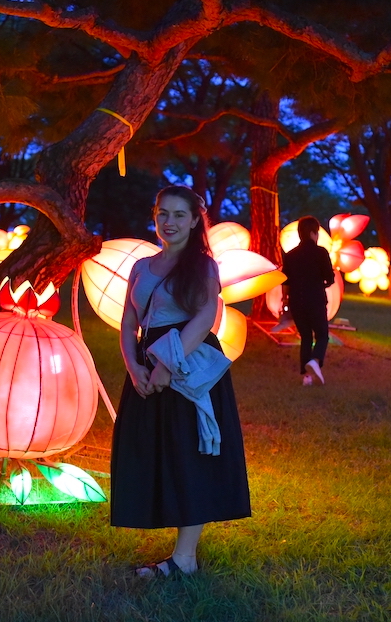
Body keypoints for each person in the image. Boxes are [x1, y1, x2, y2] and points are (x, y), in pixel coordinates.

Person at [110, 185, 251, 578]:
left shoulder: (203, 265)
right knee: (154, 452)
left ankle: (184, 558)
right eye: (162, 214)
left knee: (191, 454)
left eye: (178, 215)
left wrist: (167, 366)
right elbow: (127, 322)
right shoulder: (141, 267)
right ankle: (168, 532)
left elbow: (206, 317)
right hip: (146, 365)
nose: (169, 222)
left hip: (187, 364)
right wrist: (133, 366)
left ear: (194, 221)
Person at [281, 216, 335, 386]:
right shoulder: (321, 253)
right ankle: (316, 359)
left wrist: (285, 301)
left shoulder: (290, 255)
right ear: (313, 233)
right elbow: (330, 278)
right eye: (317, 233)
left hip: (297, 301)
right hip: (316, 301)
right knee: (322, 335)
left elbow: (286, 281)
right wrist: (324, 282)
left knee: (305, 336)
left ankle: (307, 377)